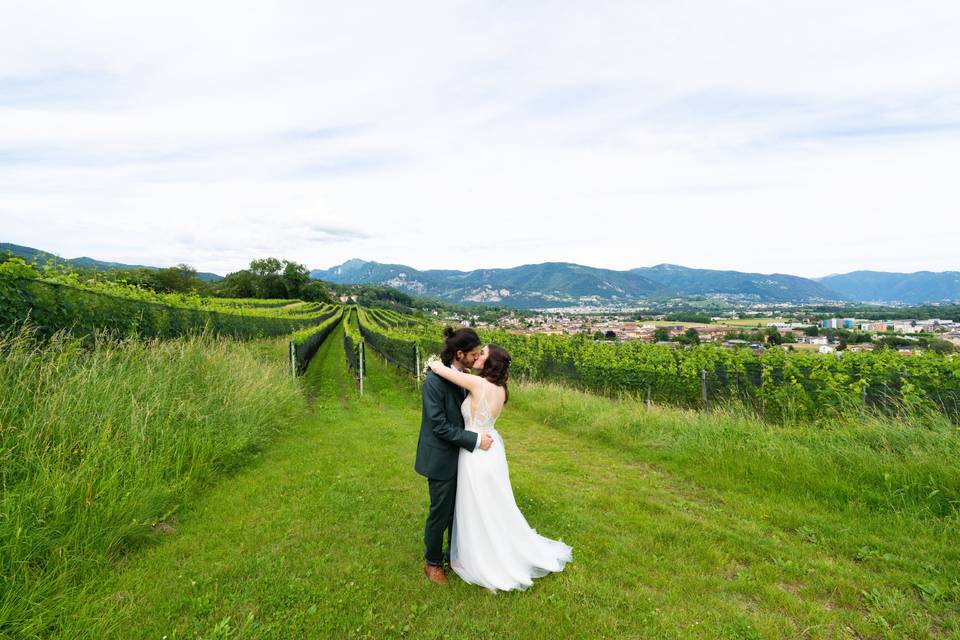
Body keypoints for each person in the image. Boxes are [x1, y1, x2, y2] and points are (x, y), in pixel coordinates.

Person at [428, 342, 573, 592]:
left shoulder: (477, 384)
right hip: (492, 448)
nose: (477, 356)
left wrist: (432, 362)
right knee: (492, 501)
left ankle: (477, 554)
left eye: (482, 353)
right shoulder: (502, 390)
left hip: (475, 451)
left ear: (490, 361)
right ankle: (486, 546)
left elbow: (441, 370)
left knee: (475, 503)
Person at [415, 327, 493, 586]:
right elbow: (438, 426)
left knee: (458, 511)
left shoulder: (463, 377)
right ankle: (432, 563)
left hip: (462, 458)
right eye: (474, 354)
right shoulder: (434, 382)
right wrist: (475, 440)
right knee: (440, 513)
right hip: (441, 458)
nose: (477, 358)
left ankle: (453, 555)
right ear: (459, 354)